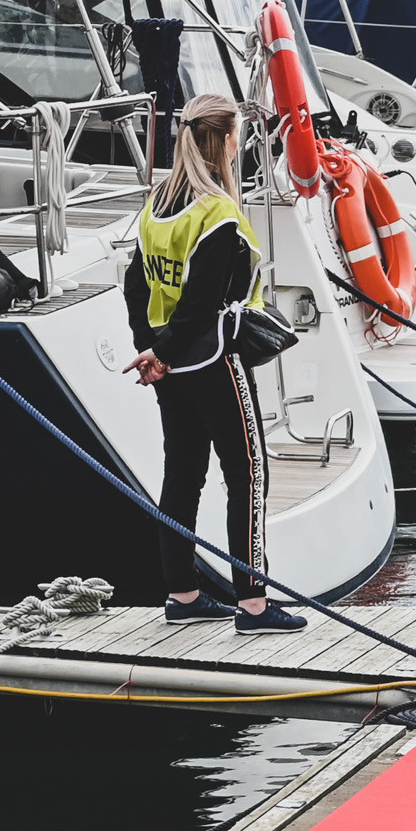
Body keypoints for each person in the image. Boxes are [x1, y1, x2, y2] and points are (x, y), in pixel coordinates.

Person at [123, 93, 304, 634]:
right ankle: (253, 604)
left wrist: (152, 350)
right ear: (225, 141)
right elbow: (203, 303)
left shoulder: (157, 203)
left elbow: (136, 283)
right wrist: (169, 351)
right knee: (248, 475)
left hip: (169, 367)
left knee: (182, 476)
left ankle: (182, 594)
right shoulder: (217, 213)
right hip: (214, 361)